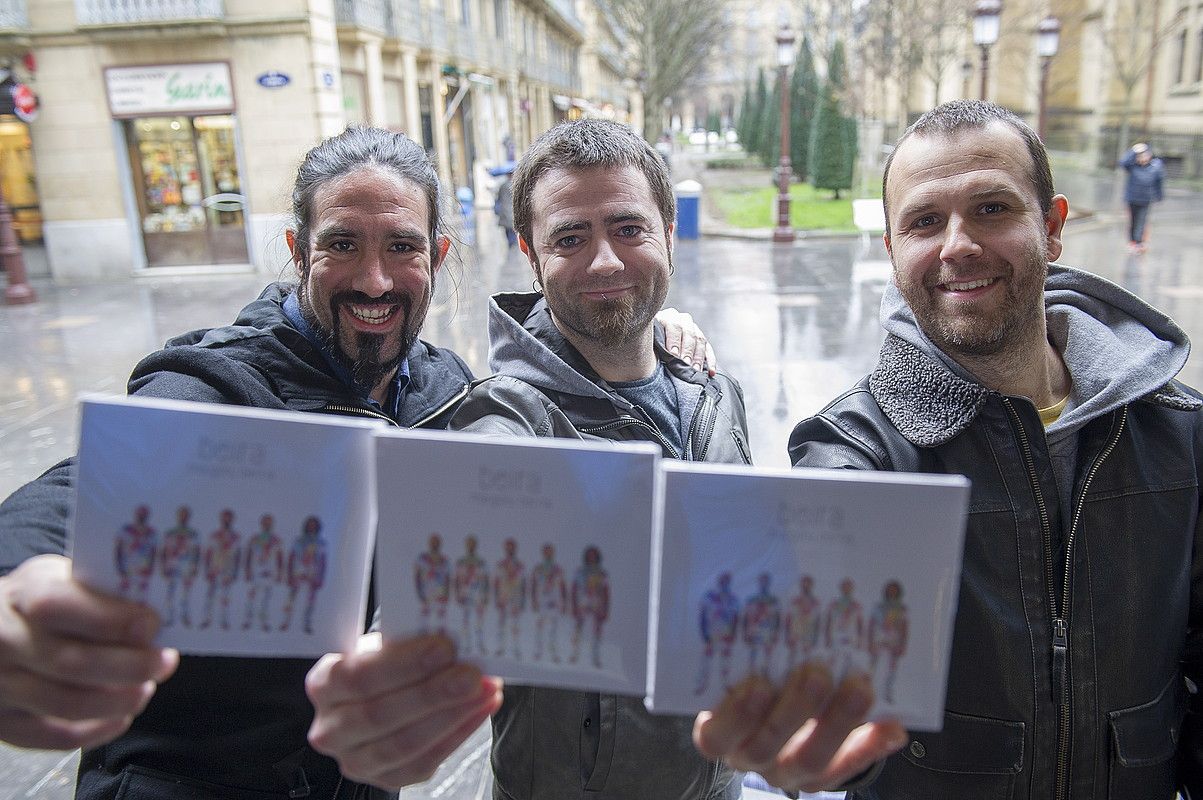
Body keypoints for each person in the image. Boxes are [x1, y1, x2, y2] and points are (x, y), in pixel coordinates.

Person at [0, 124, 716, 799]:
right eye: (341, 244)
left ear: (434, 260)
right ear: (296, 248)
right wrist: (21, 579)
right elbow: (81, 488)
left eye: (401, 247)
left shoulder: (444, 391)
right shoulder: (222, 385)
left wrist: (658, 328)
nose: (373, 281)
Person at [307, 118, 907, 798]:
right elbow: (461, 540)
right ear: (531, 255)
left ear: (669, 236)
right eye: (570, 237)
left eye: (627, 229)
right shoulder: (507, 415)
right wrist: (395, 663)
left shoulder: (714, 392)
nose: (604, 262)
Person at [788, 99, 1203, 798]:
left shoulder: (1179, 430)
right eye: (923, 221)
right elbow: (832, 701)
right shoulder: (855, 451)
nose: (956, 245)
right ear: (892, 253)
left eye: (990, 208)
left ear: (1051, 227)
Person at [1119, 141, 1164, 253]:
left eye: (1145, 155)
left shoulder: (1156, 166)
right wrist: (1134, 150)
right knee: (1133, 221)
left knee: (1141, 221)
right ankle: (1133, 242)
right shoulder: (1133, 166)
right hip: (1132, 198)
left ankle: (1139, 242)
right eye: (1140, 156)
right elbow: (1122, 163)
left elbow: (1159, 181)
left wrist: (1159, 196)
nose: (1143, 158)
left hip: (1145, 200)